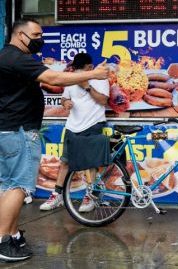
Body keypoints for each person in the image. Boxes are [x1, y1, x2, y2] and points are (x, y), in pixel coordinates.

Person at [0, 19, 109, 262]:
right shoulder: (16, 57)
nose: (41, 39)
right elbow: (54, 79)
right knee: (18, 187)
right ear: (19, 35)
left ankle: (12, 234)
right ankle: (3, 241)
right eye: (37, 34)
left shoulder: (7, 57)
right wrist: (94, 73)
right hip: (19, 131)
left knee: (8, 187)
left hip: (9, 130)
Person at [40, 53, 110, 213]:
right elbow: (63, 99)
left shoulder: (100, 79)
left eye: (81, 69)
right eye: (76, 70)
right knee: (65, 162)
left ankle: (90, 195)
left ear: (90, 68)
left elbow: (103, 101)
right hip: (72, 126)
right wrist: (66, 103)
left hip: (92, 124)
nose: (78, 73)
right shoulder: (70, 80)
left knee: (90, 163)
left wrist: (86, 85)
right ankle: (56, 195)